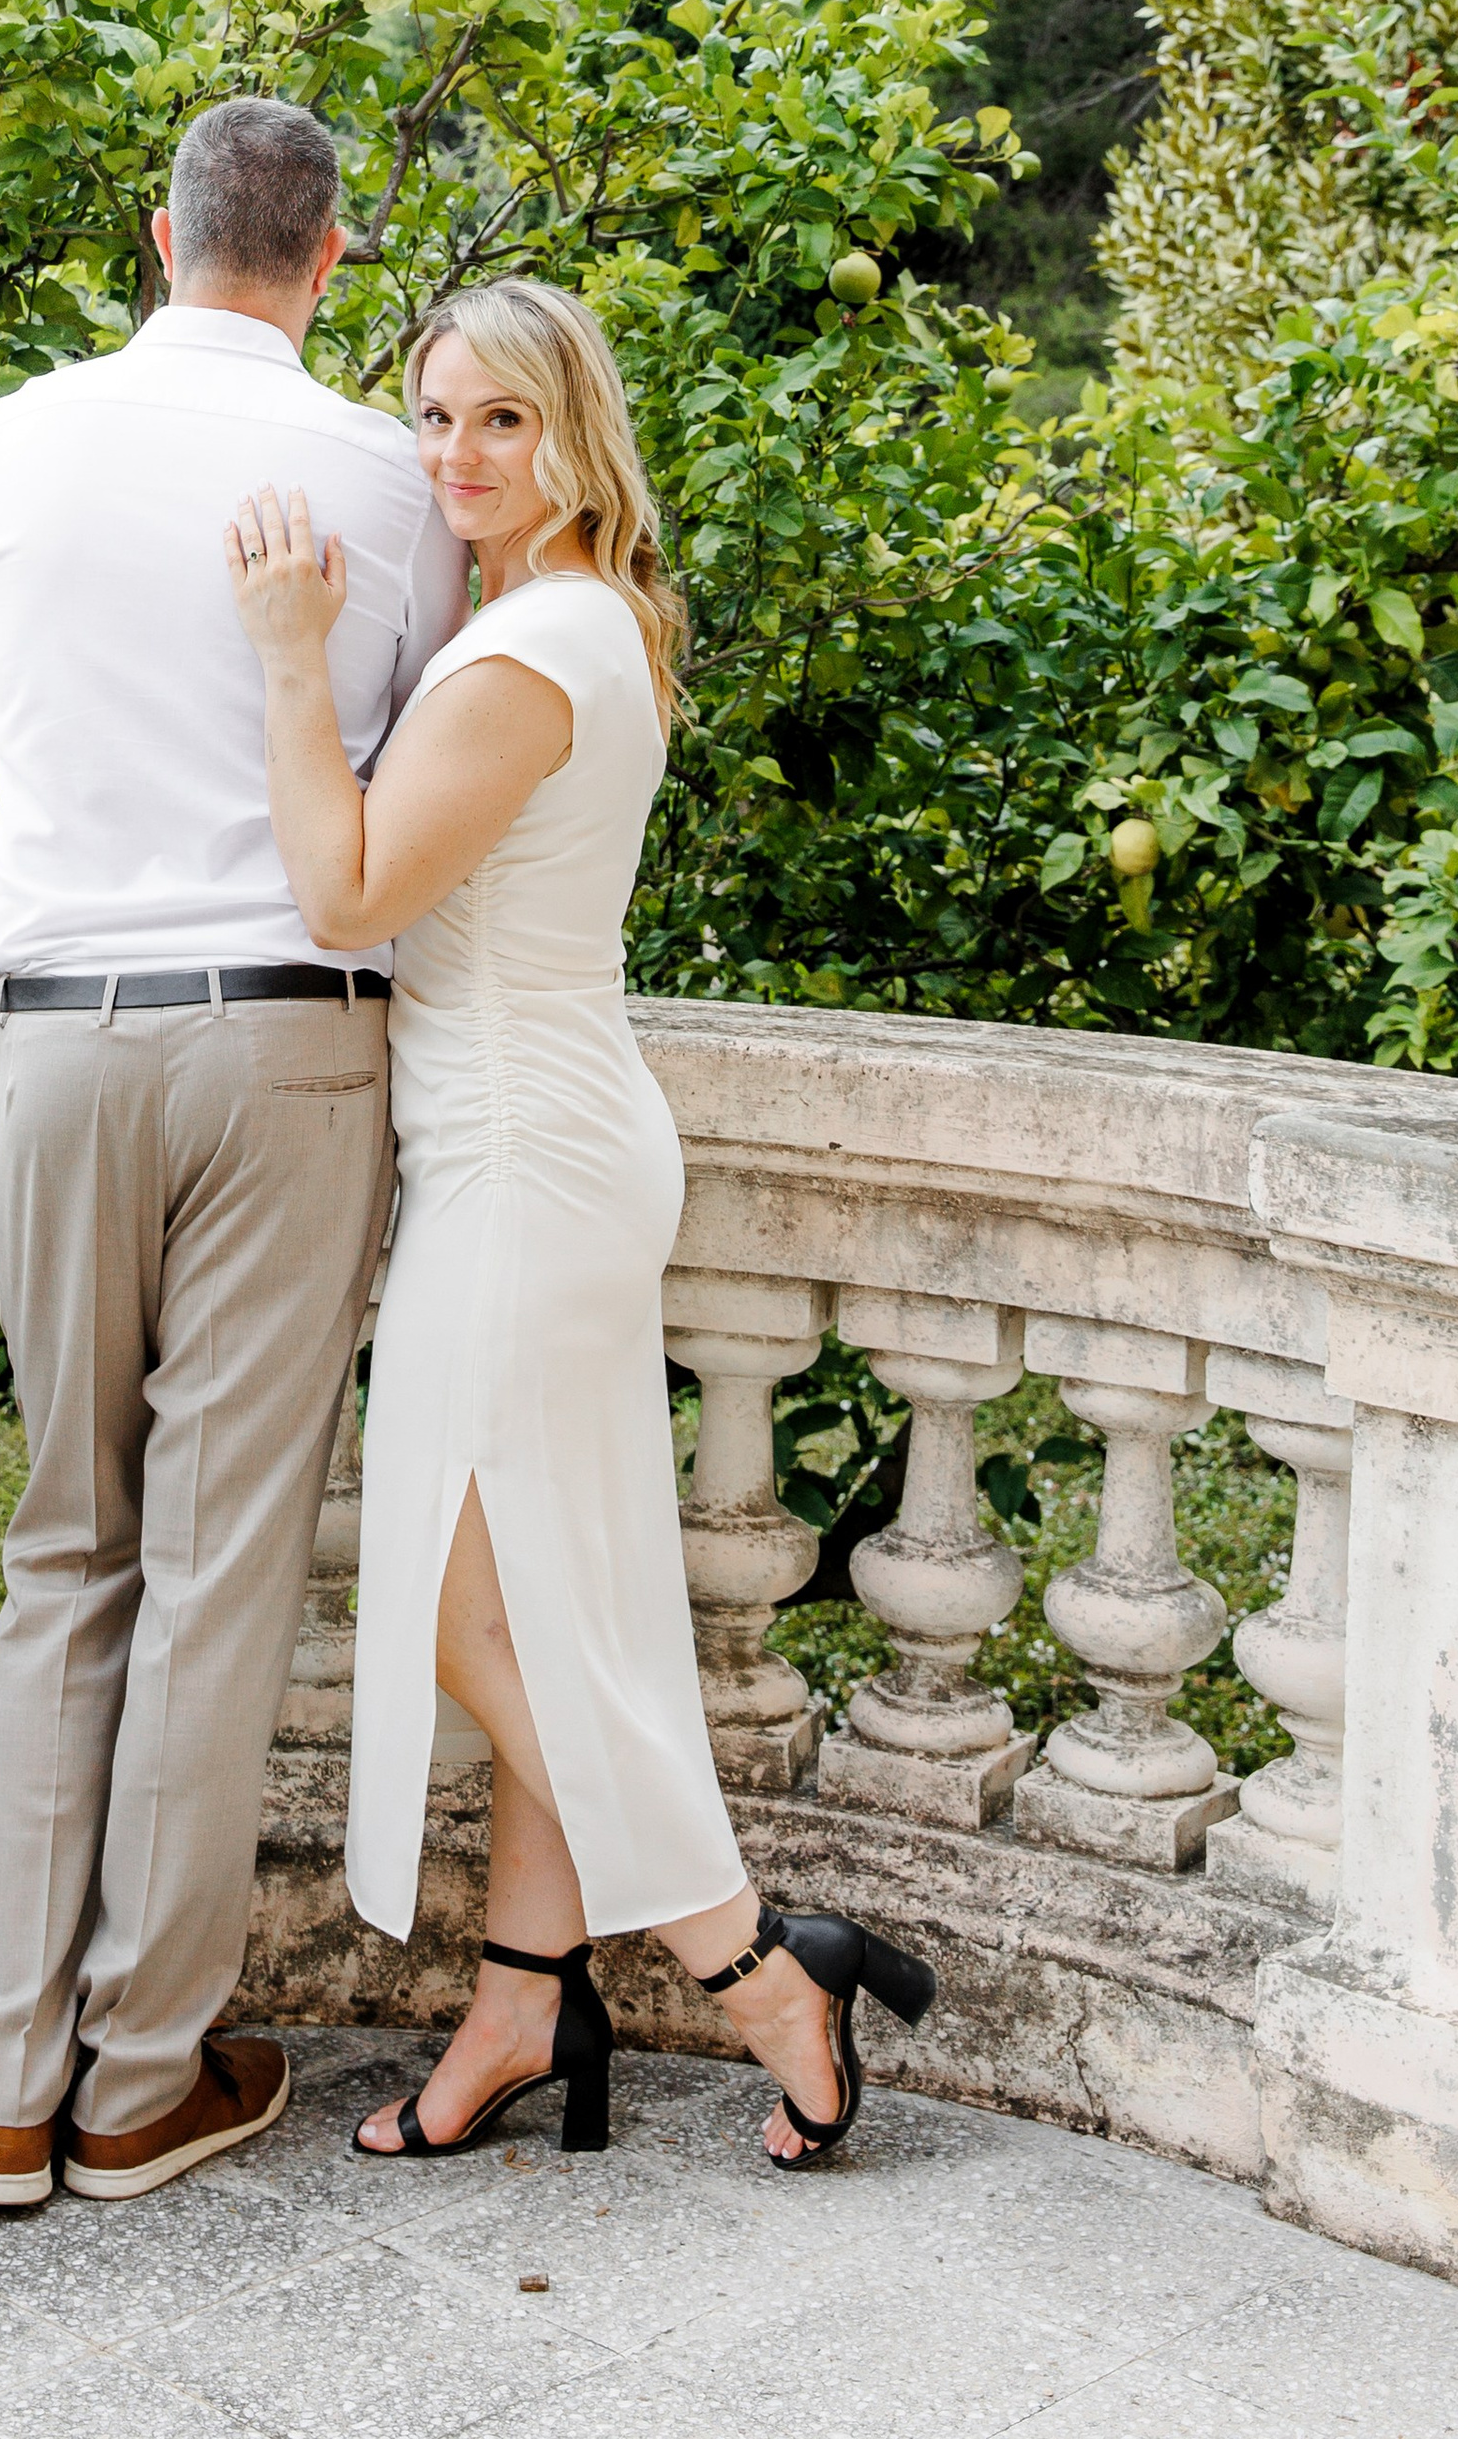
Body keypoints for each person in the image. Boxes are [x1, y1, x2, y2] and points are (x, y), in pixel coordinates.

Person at [224, 277, 937, 2168]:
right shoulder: (580, 619)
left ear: (574, 433)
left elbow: (348, 892)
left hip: (526, 1166)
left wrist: (292, 658)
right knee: (548, 1588)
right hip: (543, 1145)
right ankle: (527, 2001)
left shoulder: (532, 650)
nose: (456, 453)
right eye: (434, 417)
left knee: (466, 1608)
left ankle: (758, 1965)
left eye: (501, 423)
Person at [0, 97, 468, 2210]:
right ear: (327, 261)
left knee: (63, 1552)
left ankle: (2, 2090)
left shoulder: (7, 443)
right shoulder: (393, 483)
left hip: (45, 1040)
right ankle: (139, 2078)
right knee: (211, 1577)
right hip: (287, 1045)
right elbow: (395, 778)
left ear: (160, 234)